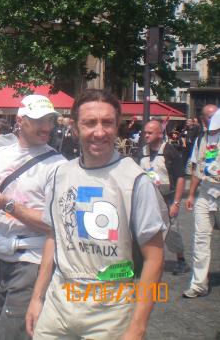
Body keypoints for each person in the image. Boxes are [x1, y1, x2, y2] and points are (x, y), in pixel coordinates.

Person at [26, 89, 166, 340]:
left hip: (110, 309)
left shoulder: (135, 180)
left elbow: (154, 257)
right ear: (75, 128)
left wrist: (138, 327)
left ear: (117, 127)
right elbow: (53, 238)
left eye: (107, 123)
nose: (99, 132)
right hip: (59, 303)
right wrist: (38, 298)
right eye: (90, 123)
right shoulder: (59, 175)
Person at [0, 95, 66, 340]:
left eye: (50, 120)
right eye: (39, 121)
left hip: (31, 260)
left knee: (10, 332)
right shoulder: (1, 156)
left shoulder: (58, 165)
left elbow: (55, 224)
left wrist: (10, 205)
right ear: (21, 121)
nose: (47, 127)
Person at [139, 120, 187, 275]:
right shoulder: (142, 151)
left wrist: (176, 203)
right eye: (145, 132)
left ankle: (181, 261)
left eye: (149, 132)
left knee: (172, 231)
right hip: (149, 199)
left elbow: (180, 178)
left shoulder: (169, 150)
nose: (145, 135)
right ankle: (151, 260)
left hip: (168, 198)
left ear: (160, 134)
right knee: (148, 231)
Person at [184, 104, 220, 298]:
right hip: (206, 193)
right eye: (207, 117)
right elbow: (197, 168)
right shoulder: (202, 139)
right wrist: (191, 194)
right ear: (202, 120)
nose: (210, 119)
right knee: (200, 239)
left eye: (214, 116)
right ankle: (198, 284)